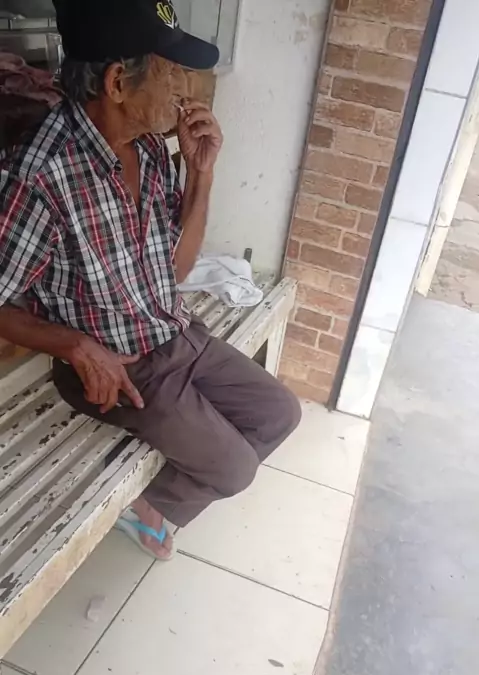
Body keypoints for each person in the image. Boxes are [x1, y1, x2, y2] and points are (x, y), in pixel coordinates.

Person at [0, 0, 301, 560]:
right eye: (171, 72)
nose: (185, 88)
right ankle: (153, 506)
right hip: (122, 369)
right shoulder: (43, 174)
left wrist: (201, 173)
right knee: (235, 468)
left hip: (173, 333)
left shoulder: (150, 148)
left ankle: (156, 504)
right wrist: (74, 346)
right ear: (117, 82)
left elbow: (174, 271)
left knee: (280, 414)